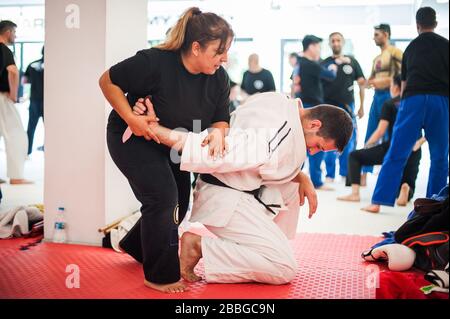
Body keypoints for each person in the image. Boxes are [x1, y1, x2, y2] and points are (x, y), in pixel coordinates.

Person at [133, 92, 353, 284]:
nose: (313, 152)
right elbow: (211, 153)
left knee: (294, 187)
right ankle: (198, 246)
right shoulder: (274, 140)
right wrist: (154, 130)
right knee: (284, 267)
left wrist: (301, 176)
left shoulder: (279, 101)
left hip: (232, 187)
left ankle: (264, 244)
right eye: (318, 146)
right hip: (224, 198)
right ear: (314, 125)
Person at [98, 7, 234, 293]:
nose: (225, 58)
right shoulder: (154, 62)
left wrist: (220, 132)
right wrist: (132, 119)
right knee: (163, 197)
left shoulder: (219, 78)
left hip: (173, 143)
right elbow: (107, 81)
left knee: (179, 204)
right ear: (196, 47)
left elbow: (221, 117)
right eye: (219, 51)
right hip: (133, 138)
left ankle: (135, 245)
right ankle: (159, 275)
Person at [368, 7, 449, 213]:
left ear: (417, 25)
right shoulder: (446, 45)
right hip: (440, 101)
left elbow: (403, 84)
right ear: (436, 24)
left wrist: (403, 108)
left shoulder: (411, 48)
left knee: (397, 151)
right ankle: (436, 205)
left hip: (413, 99)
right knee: (440, 155)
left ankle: (378, 201)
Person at [337, 75, 424, 208]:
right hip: (414, 149)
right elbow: (431, 128)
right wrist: (419, 142)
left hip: (393, 147)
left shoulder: (390, 103)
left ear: (395, 87)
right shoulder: (418, 104)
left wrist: (367, 145)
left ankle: (355, 193)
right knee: (407, 181)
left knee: (354, 156)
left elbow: (380, 131)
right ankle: (406, 189)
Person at [292, 35, 338, 190]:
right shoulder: (309, 64)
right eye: (318, 46)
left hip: (302, 107)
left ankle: (295, 177)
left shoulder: (299, 63)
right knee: (317, 141)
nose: (319, 50)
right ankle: (317, 181)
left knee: (301, 143)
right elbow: (330, 76)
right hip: (311, 107)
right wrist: (333, 67)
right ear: (311, 46)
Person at [321, 32, 366, 183]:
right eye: (332, 40)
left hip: (348, 107)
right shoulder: (324, 63)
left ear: (343, 42)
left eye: (338, 40)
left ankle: (346, 173)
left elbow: (361, 84)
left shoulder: (352, 61)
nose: (335, 43)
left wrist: (361, 106)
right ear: (329, 43)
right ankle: (329, 174)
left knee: (349, 140)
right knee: (328, 138)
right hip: (328, 107)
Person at [361, 24, 403, 184]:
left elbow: (403, 75)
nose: (374, 37)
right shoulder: (376, 59)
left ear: (386, 34)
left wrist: (384, 82)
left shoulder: (396, 52)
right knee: (371, 131)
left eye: (377, 34)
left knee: (389, 135)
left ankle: (390, 174)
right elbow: (369, 80)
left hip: (390, 96)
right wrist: (366, 83)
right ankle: (364, 173)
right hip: (377, 97)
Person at [0, 20, 31, 185]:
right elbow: (12, 72)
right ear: (7, 32)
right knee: (17, 135)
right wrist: (13, 95)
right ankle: (16, 176)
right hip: (2, 98)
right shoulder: (4, 49)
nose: (15, 36)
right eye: (14, 32)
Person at [23, 46, 44, 155]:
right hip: (47, 102)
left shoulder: (32, 65)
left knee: (31, 127)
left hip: (34, 100)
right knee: (50, 127)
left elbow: (25, 80)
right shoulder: (54, 65)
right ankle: (48, 148)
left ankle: (27, 151)